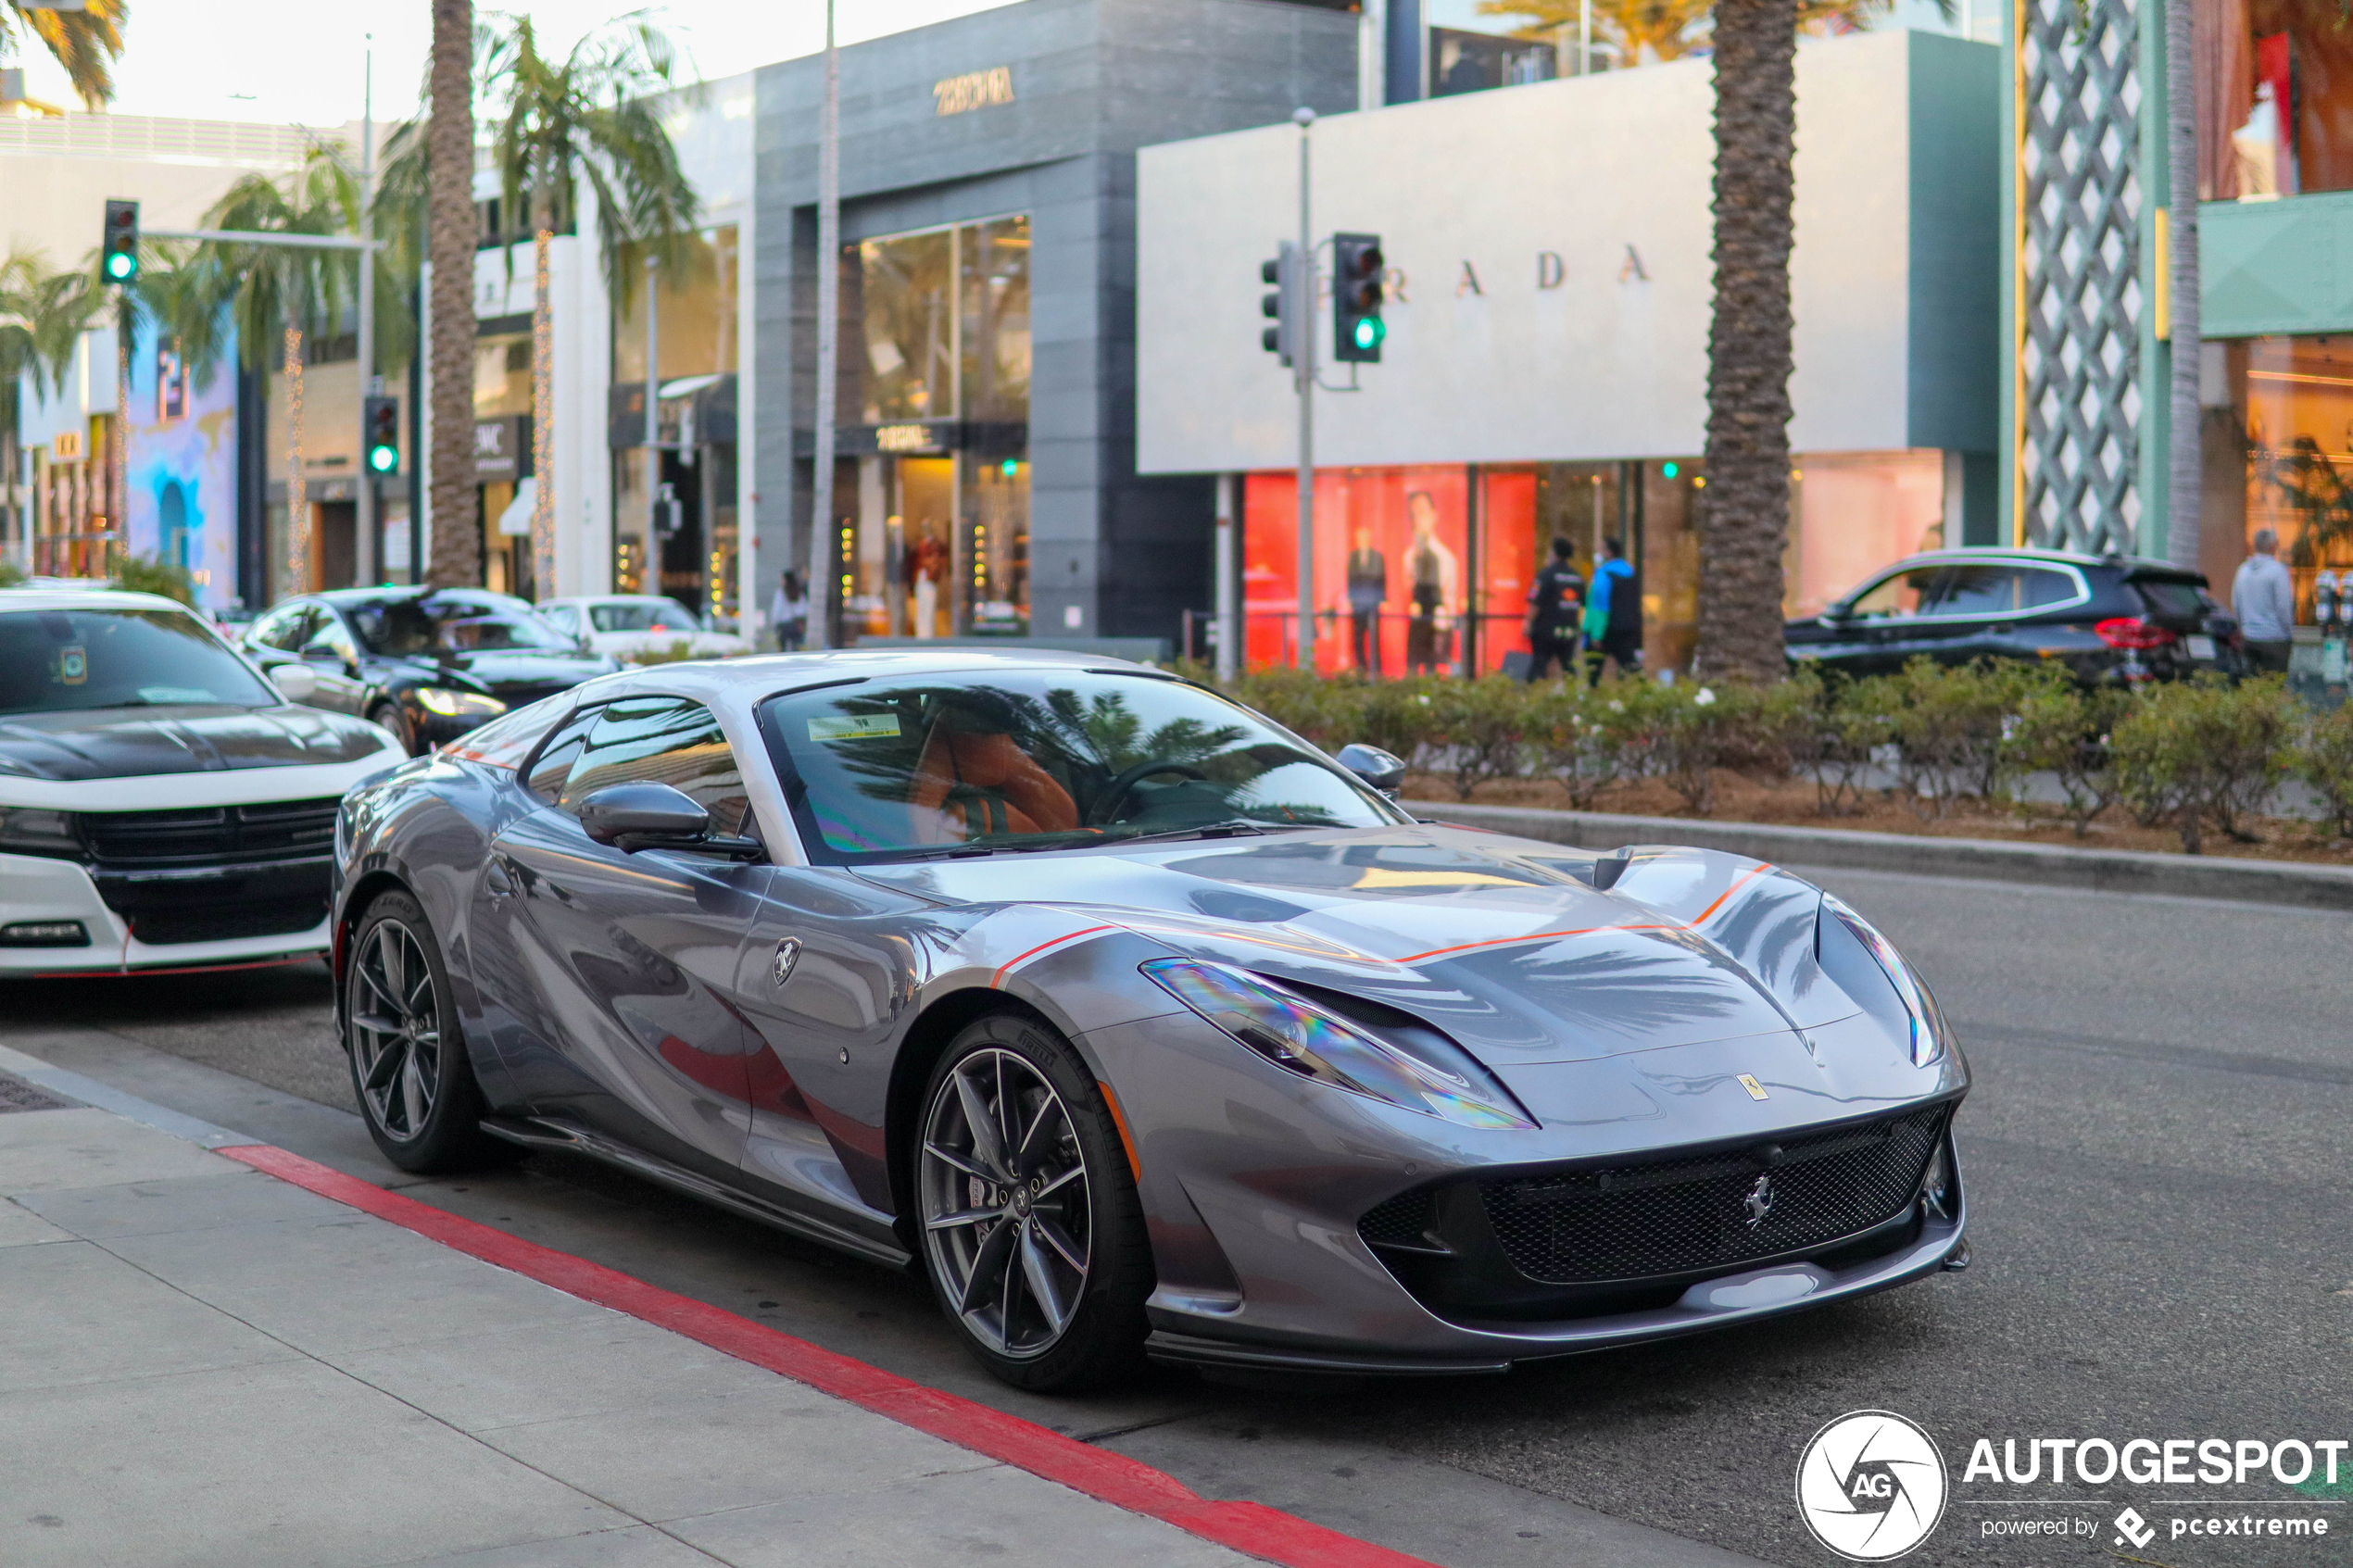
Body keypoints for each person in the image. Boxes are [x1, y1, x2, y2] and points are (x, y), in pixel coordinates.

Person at [2232, 528, 2295, 674]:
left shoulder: (2243, 571)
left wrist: (2243, 629)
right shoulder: (2278, 571)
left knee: (2251, 687)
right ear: (2273, 546)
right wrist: (2288, 631)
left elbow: (2236, 605)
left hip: (2249, 639)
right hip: (2275, 640)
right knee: (2273, 685)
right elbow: (2284, 607)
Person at [1524, 536, 1584, 682]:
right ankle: (1574, 695)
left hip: (1545, 629)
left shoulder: (1546, 575)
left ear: (1554, 553)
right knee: (1568, 666)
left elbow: (1535, 602)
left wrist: (1527, 622)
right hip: (1568, 629)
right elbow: (1582, 605)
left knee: (1539, 665)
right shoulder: (1577, 577)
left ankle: (1536, 695)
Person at [1584, 535, 1641, 686]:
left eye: (1601, 550)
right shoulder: (1630, 572)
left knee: (1593, 670)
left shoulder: (1603, 574)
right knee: (1630, 666)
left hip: (1606, 630)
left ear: (1608, 553)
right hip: (1626, 628)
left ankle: (1592, 699)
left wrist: (1596, 634)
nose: (1599, 554)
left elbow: (1600, 606)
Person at [1345, 527, 1387, 674]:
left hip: (1372, 602)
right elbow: (1350, 579)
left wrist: (1383, 598)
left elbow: (1382, 579)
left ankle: (1376, 670)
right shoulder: (1353, 557)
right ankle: (1360, 667)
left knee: (1374, 636)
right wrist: (1350, 599)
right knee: (1357, 637)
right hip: (1358, 604)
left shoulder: (1377, 557)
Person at [771, 570, 809, 653]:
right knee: (797, 649)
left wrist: (774, 624)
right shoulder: (799, 593)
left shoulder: (781, 593)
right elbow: (804, 610)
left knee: (783, 651)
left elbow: (776, 612)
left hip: (784, 627)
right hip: (796, 626)